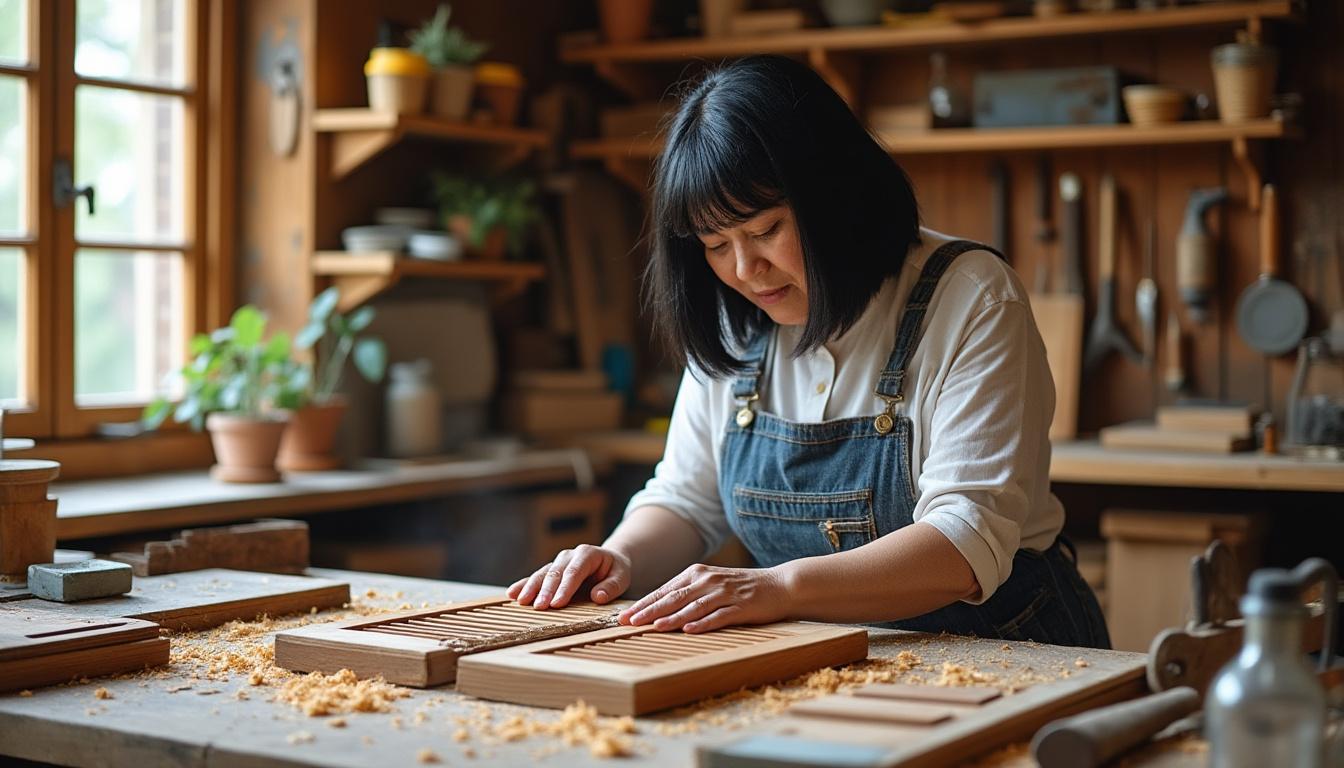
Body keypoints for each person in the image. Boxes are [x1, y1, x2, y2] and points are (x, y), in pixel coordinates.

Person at [509, 55, 1109, 649]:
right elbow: (688, 501)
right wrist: (619, 558)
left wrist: (779, 587)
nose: (745, 270)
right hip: (826, 651)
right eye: (716, 244)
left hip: (1007, 645)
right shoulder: (737, 315)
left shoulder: (972, 297)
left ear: (835, 195)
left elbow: (963, 543)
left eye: (765, 231)